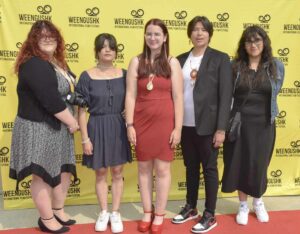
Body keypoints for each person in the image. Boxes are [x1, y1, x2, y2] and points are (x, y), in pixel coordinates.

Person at [9, 20, 79, 233]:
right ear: (33, 40)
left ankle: (57, 209)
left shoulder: (57, 63)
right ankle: (46, 218)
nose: (48, 39)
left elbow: (67, 92)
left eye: (52, 36)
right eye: (42, 36)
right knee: (42, 174)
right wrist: (72, 121)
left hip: (58, 128)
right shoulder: (33, 64)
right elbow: (50, 100)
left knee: (62, 170)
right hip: (38, 128)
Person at [171, 16, 232, 233]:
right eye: (195, 29)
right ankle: (191, 207)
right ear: (189, 34)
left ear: (209, 33)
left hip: (209, 126)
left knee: (209, 169)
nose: (199, 33)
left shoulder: (220, 59)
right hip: (185, 125)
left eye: (203, 30)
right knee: (190, 168)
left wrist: (221, 128)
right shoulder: (179, 60)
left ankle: (209, 214)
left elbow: (226, 96)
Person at [221, 26, 285, 225]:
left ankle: (258, 201)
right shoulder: (235, 66)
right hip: (239, 124)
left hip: (264, 124)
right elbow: (227, 96)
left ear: (264, 43)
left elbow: (276, 91)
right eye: (249, 41)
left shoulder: (276, 66)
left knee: (259, 163)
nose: (253, 45)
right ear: (243, 45)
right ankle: (242, 205)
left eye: (257, 40)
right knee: (240, 162)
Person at [125, 18, 183, 234]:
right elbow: (131, 95)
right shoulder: (136, 62)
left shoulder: (172, 62)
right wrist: (129, 124)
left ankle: (159, 214)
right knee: (143, 168)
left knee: (163, 169)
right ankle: (146, 212)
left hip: (165, 123)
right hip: (140, 122)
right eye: (149, 33)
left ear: (165, 37)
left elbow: (178, 97)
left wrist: (178, 128)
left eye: (157, 34)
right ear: (144, 36)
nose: (153, 38)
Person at [76, 33, 132, 233]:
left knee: (117, 172)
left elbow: (133, 99)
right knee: (100, 172)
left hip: (118, 126)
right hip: (96, 127)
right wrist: (85, 139)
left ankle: (115, 212)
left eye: (111, 46)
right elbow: (81, 110)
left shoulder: (125, 74)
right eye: (103, 46)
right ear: (97, 51)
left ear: (116, 50)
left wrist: (129, 114)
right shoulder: (86, 76)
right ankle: (103, 211)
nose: (107, 50)